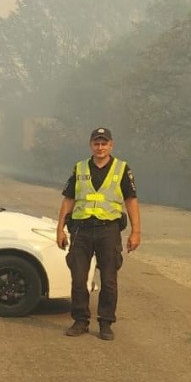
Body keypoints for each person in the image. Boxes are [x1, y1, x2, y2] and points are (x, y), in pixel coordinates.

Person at [55, 127, 141, 341]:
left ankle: (106, 322)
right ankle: (80, 320)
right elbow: (68, 199)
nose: (100, 147)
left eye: (104, 143)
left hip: (108, 230)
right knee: (78, 278)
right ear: (91, 145)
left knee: (109, 279)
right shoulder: (80, 167)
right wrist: (60, 229)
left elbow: (131, 201)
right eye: (96, 143)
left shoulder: (122, 168)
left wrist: (136, 232)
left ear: (111, 145)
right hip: (81, 230)